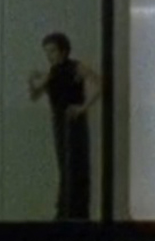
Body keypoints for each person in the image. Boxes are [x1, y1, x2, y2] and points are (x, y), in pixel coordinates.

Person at [27, 32, 101, 221]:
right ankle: (66, 210)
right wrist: (31, 81)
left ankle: (75, 212)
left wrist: (83, 107)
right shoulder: (52, 72)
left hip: (73, 121)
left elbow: (100, 84)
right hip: (59, 122)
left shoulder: (76, 67)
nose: (49, 55)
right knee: (65, 166)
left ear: (63, 50)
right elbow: (34, 96)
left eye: (52, 51)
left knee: (75, 165)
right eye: (47, 51)